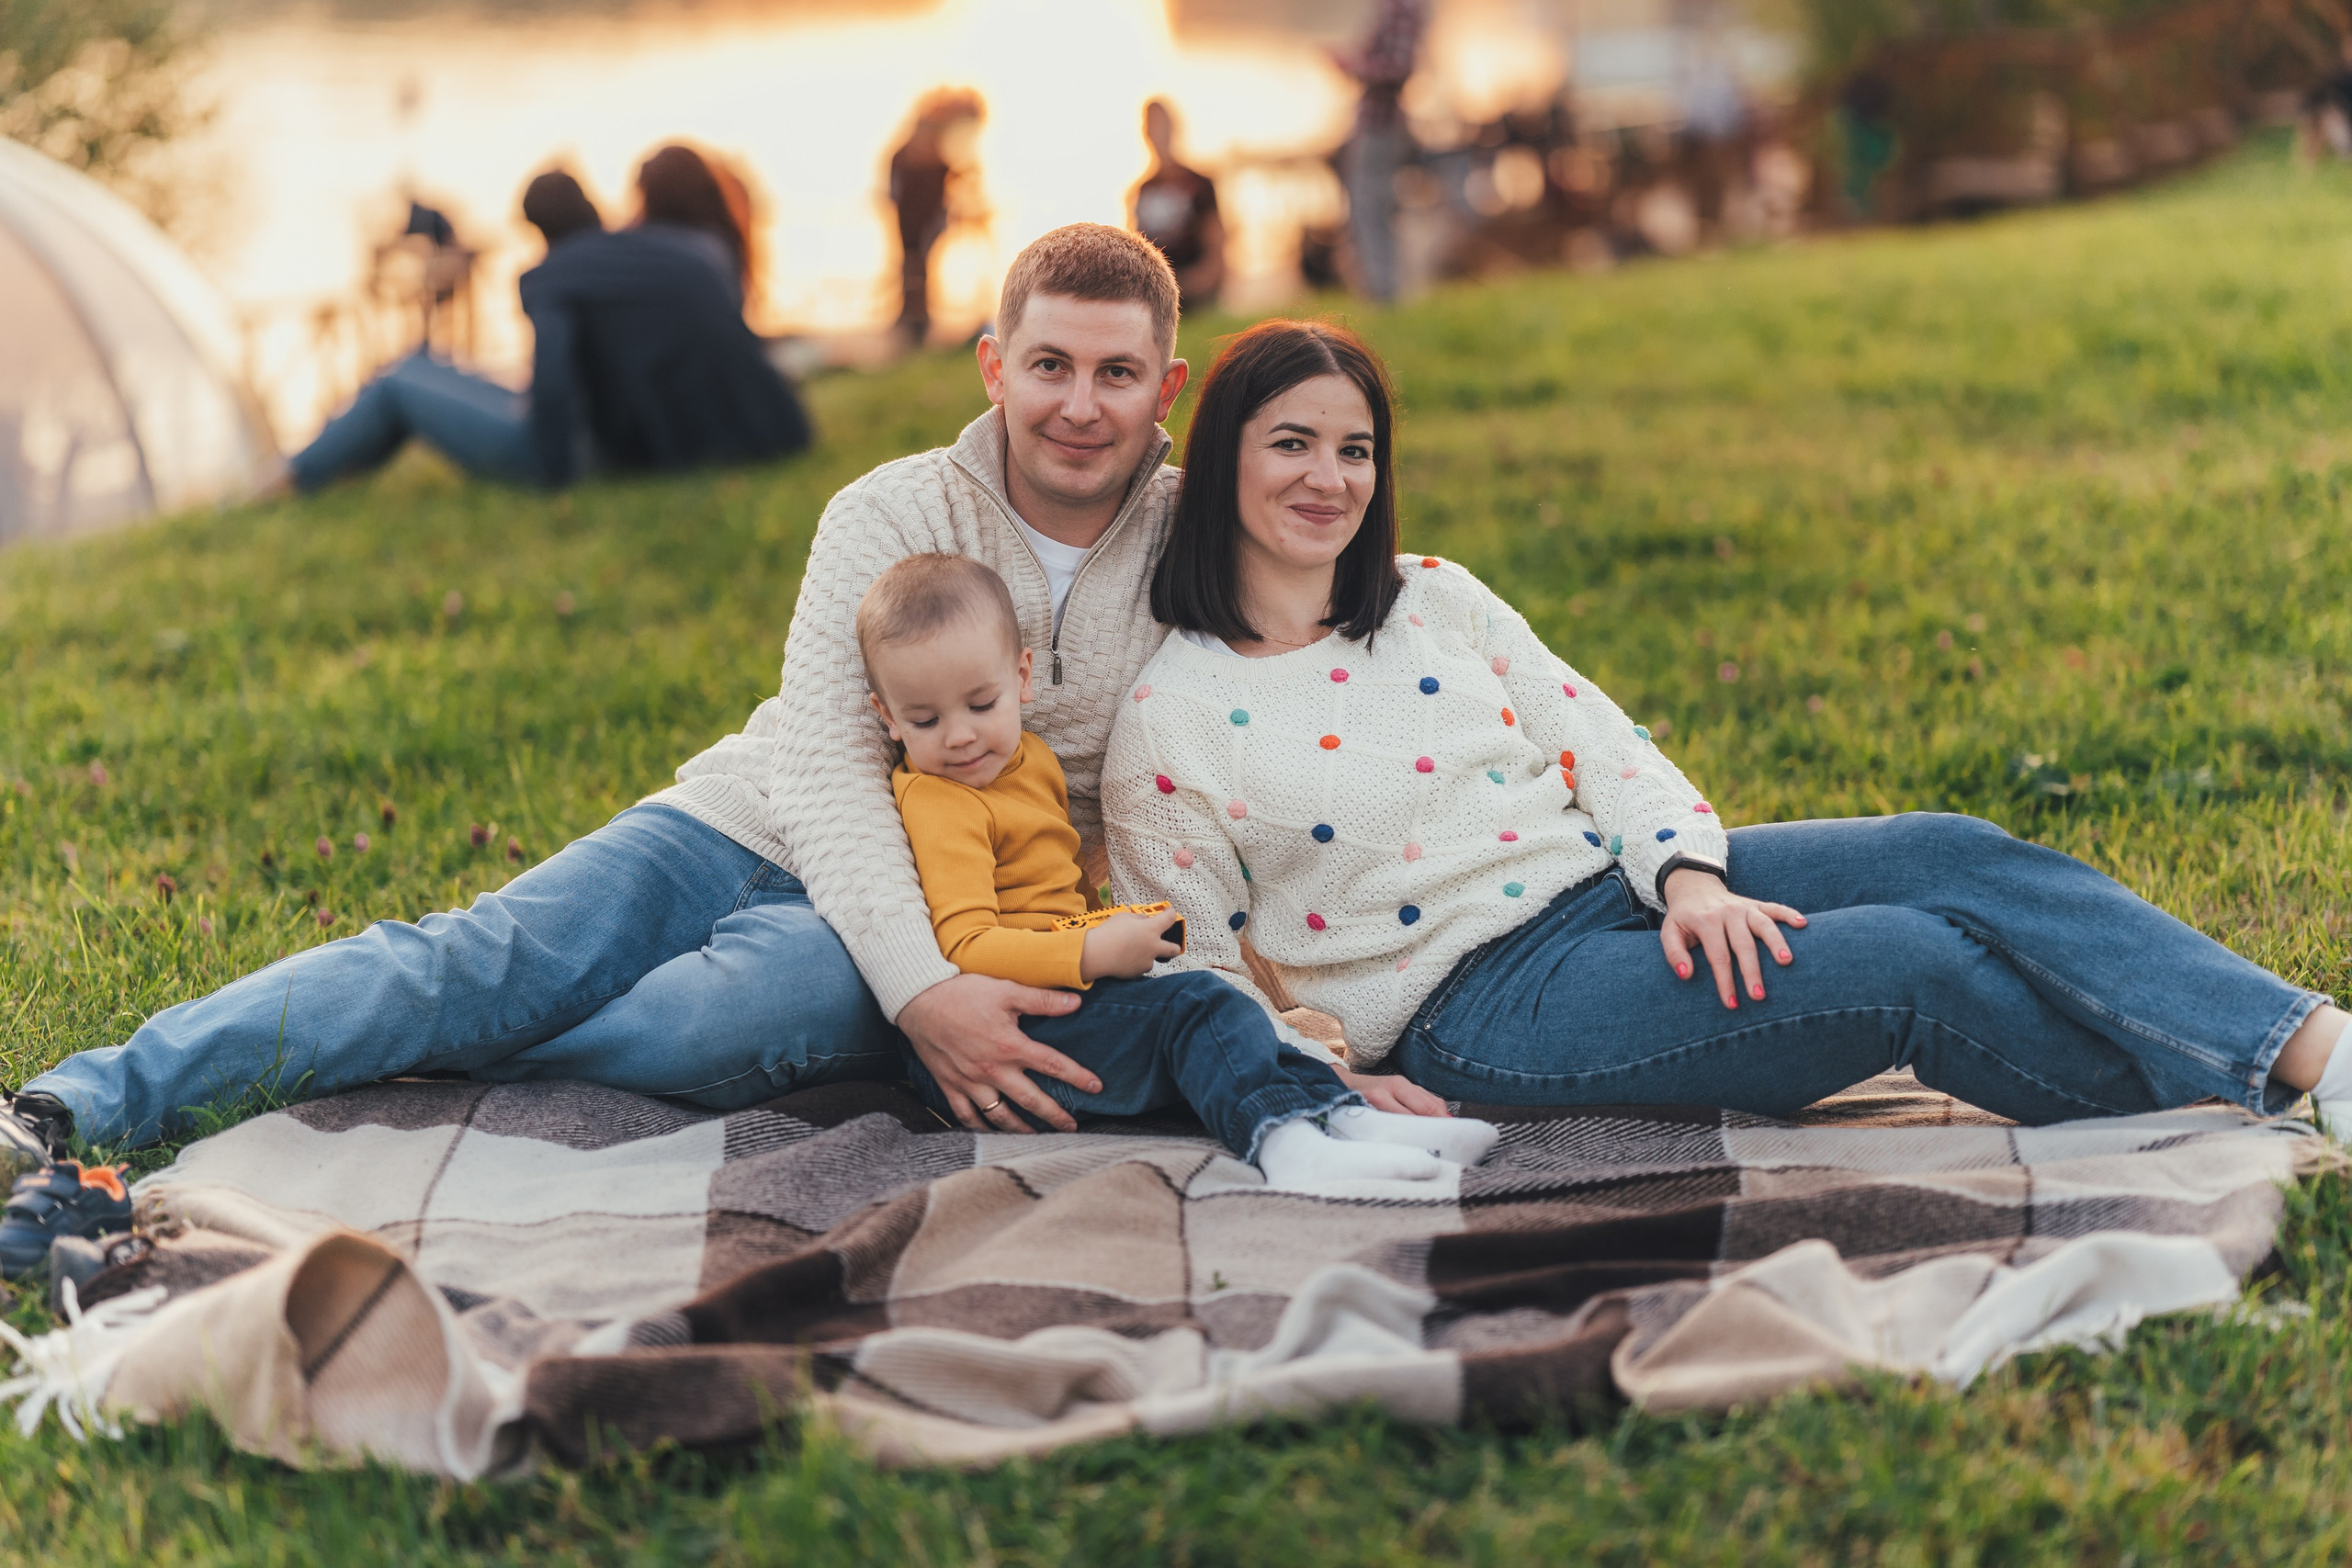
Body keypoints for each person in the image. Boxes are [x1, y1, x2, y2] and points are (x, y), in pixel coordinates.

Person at [6, 223, 1451, 1210]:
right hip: (743, 825)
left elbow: (1207, 807)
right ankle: (75, 1103)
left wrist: (1297, 1052)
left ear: (1167, 387)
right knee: (489, 956)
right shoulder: (887, 510)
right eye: (1051, 365)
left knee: (726, 1021)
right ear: (994, 364)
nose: (1081, 404)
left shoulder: (1196, 550)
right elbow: (824, 767)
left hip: (930, 905)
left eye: (1117, 373)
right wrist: (924, 995)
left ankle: (444, 1047)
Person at [1102, 317, 2352, 1131]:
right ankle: (2248, 1092)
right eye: (1292, 444)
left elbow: (1606, 748)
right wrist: (1323, 1078)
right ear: (1222, 461)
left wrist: (1689, 879)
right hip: (1481, 1011)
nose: (1329, 478)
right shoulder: (1174, 718)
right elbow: (1198, 969)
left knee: (1948, 848)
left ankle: (2315, 1048)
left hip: (1610, 889)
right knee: (1906, 963)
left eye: (1356, 449)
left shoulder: (1433, 595)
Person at [863, 551, 1496, 1186]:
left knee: (1226, 1014)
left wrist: (1113, 927)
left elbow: (1057, 895)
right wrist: (1091, 951)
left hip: (1065, 1001)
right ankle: (1285, 1146)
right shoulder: (941, 800)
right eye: (925, 719)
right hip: (1004, 1035)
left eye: (981, 704)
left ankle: (1348, 1117)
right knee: (1199, 1009)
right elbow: (966, 945)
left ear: (1023, 676)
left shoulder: (1028, 761)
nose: (960, 736)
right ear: (887, 716)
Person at [288, 158, 809, 493]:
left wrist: (553, 469)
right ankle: (339, 472)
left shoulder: (553, 277)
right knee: (423, 364)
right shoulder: (679, 252)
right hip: (639, 433)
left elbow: (554, 383)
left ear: (536, 228)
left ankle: (290, 480)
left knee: (399, 383)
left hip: (578, 451)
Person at [1329, 0, 1426, 303]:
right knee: (1369, 208)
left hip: (1381, 124)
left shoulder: (1401, 7)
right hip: (1376, 123)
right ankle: (1379, 291)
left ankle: (1385, 295)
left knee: (1370, 208)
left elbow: (1398, 69)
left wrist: (1351, 65)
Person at [888, 90, 984, 348]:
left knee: (917, 271)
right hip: (914, 229)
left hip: (924, 228)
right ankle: (914, 324)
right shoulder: (909, 158)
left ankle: (917, 324)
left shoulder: (926, 159)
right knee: (914, 271)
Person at [1129, 99, 1225, 309]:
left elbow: (1216, 239)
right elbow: (1136, 245)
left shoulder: (1199, 184)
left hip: (1195, 290)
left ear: (1174, 128)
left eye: (1162, 125)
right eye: (1152, 125)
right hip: (1156, 292)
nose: (1158, 133)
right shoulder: (1143, 190)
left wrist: (1204, 279)